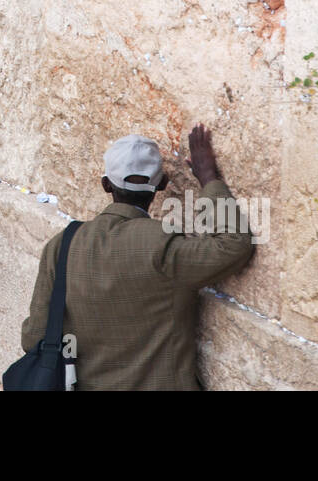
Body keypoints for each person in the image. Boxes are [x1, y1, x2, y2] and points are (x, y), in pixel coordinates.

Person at [19, 124, 255, 390]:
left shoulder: (62, 246)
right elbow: (233, 245)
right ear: (163, 184)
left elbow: (34, 337)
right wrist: (209, 178)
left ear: (106, 184)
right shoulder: (163, 245)